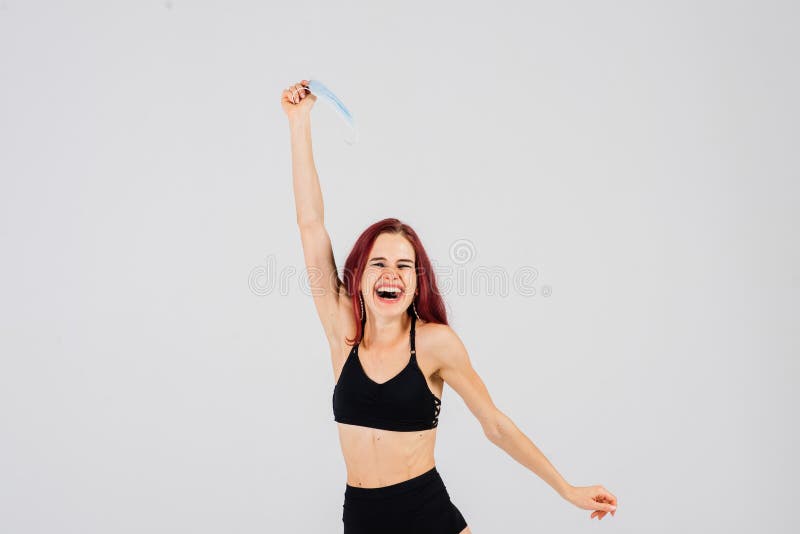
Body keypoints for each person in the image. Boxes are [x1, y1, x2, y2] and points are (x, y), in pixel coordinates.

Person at [281, 80, 618, 533]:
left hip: (427, 517)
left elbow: (494, 424)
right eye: (378, 262)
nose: (391, 274)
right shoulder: (342, 331)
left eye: (404, 265)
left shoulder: (436, 344)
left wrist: (566, 488)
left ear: (418, 283)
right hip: (360, 519)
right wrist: (298, 122)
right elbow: (310, 224)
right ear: (358, 276)